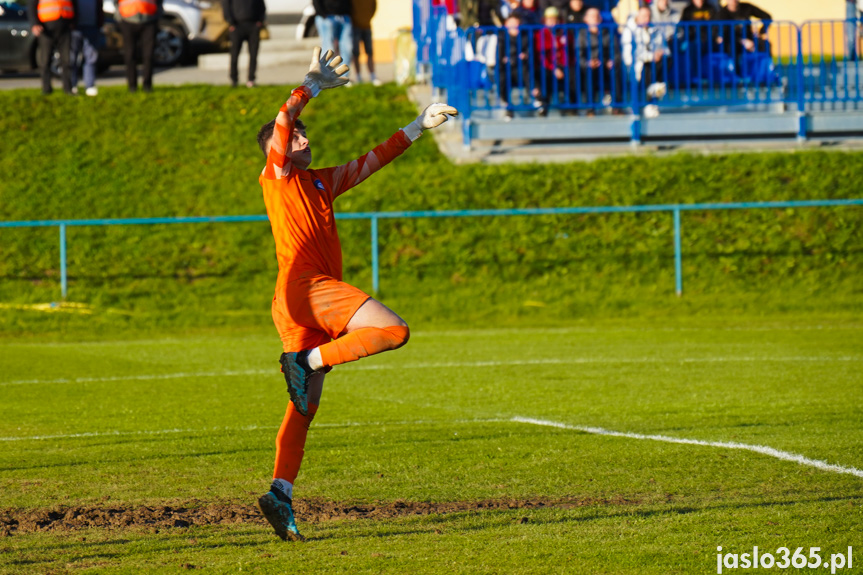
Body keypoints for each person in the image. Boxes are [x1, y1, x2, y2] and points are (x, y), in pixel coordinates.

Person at [254, 47, 457, 542]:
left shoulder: (322, 181)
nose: (303, 136)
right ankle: (312, 361)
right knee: (394, 330)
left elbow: (372, 161)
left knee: (305, 407)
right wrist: (309, 86)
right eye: (297, 136)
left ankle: (280, 492)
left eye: (304, 134)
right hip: (308, 289)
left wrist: (414, 126)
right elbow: (284, 118)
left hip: (294, 301)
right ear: (277, 150)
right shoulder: (277, 175)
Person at [622, 6, 668, 117]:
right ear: (637, 17)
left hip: (650, 64)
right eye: (643, 16)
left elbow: (662, 46)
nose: (646, 19)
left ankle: (651, 103)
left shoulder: (654, 29)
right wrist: (651, 56)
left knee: (663, 62)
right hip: (634, 65)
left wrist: (659, 53)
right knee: (650, 70)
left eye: (648, 16)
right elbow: (632, 54)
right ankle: (645, 104)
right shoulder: (629, 30)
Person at [578, 7, 622, 113]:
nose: (595, 18)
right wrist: (588, 63)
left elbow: (616, 52)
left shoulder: (608, 33)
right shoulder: (581, 35)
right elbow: (579, 56)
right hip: (591, 66)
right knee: (588, 73)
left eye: (597, 16)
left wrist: (612, 61)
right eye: (592, 16)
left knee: (616, 71)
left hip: (606, 65)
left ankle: (617, 106)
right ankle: (590, 107)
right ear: (586, 19)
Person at [28, 0, 77, 95]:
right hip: (46, 28)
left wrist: (73, 21)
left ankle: (68, 89)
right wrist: (34, 24)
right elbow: (31, 7)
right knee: (45, 60)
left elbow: (74, 5)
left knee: (66, 60)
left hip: (64, 27)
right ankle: (46, 89)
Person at [115, 0, 161, 92]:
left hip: (149, 20)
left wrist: (157, 16)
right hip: (127, 19)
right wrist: (119, 18)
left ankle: (147, 85)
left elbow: (159, 2)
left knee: (149, 55)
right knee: (130, 54)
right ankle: (132, 86)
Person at [531, 6, 568, 116]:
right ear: (545, 20)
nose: (552, 22)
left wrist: (562, 66)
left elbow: (567, 53)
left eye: (554, 19)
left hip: (560, 66)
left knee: (572, 73)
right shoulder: (540, 34)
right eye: (549, 19)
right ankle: (544, 105)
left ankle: (570, 105)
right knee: (545, 76)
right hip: (547, 67)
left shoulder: (563, 33)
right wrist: (554, 68)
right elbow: (541, 56)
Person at [222, 0, 265, 88]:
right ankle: (234, 80)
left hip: (253, 25)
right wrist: (231, 22)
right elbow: (226, 5)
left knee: (253, 54)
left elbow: (262, 6)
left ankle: (251, 79)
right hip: (236, 26)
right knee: (234, 55)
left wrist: (259, 21)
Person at [497, 13, 530, 119]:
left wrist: (524, 56)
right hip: (508, 70)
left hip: (521, 69)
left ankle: (538, 101)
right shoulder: (501, 37)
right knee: (502, 78)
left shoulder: (524, 37)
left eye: (515, 24)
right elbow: (499, 58)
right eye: (511, 24)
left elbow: (528, 54)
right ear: (506, 24)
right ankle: (508, 106)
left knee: (529, 72)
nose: (513, 26)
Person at [313, 0, 353, 78]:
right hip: (326, 16)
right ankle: (326, 77)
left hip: (344, 16)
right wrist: (323, 15)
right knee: (328, 49)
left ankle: (343, 77)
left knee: (347, 48)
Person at [69, 0, 102, 96]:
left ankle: (90, 85)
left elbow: (99, 8)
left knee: (91, 57)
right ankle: (72, 85)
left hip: (92, 26)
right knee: (72, 58)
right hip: (75, 28)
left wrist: (100, 22)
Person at [351, 0, 379, 84]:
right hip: (355, 26)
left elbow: (374, 7)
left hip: (367, 26)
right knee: (356, 53)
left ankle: (372, 75)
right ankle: (358, 76)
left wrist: (368, 18)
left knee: (370, 52)